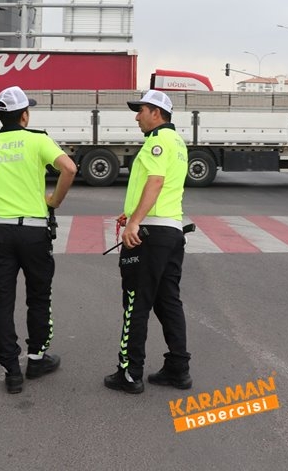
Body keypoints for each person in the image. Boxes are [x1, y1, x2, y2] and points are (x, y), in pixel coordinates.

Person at [0, 86, 76, 394]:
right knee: (39, 295)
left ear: (0, 117)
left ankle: (12, 370)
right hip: (34, 231)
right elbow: (69, 168)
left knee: (3, 299)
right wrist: (54, 200)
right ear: (24, 115)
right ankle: (37, 358)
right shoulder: (38, 140)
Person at [104, 89, 192, 394]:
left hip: (150, 235)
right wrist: (131, 213)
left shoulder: (156, 142)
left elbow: (155, 182)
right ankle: (178, 369)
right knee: (169, 302)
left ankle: (129, 373)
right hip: (171, 231)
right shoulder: (178, 142)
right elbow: (159, 189)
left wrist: (136, 221)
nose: (137, 116)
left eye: (140, 110)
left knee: (135, 302)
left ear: (156, 113)